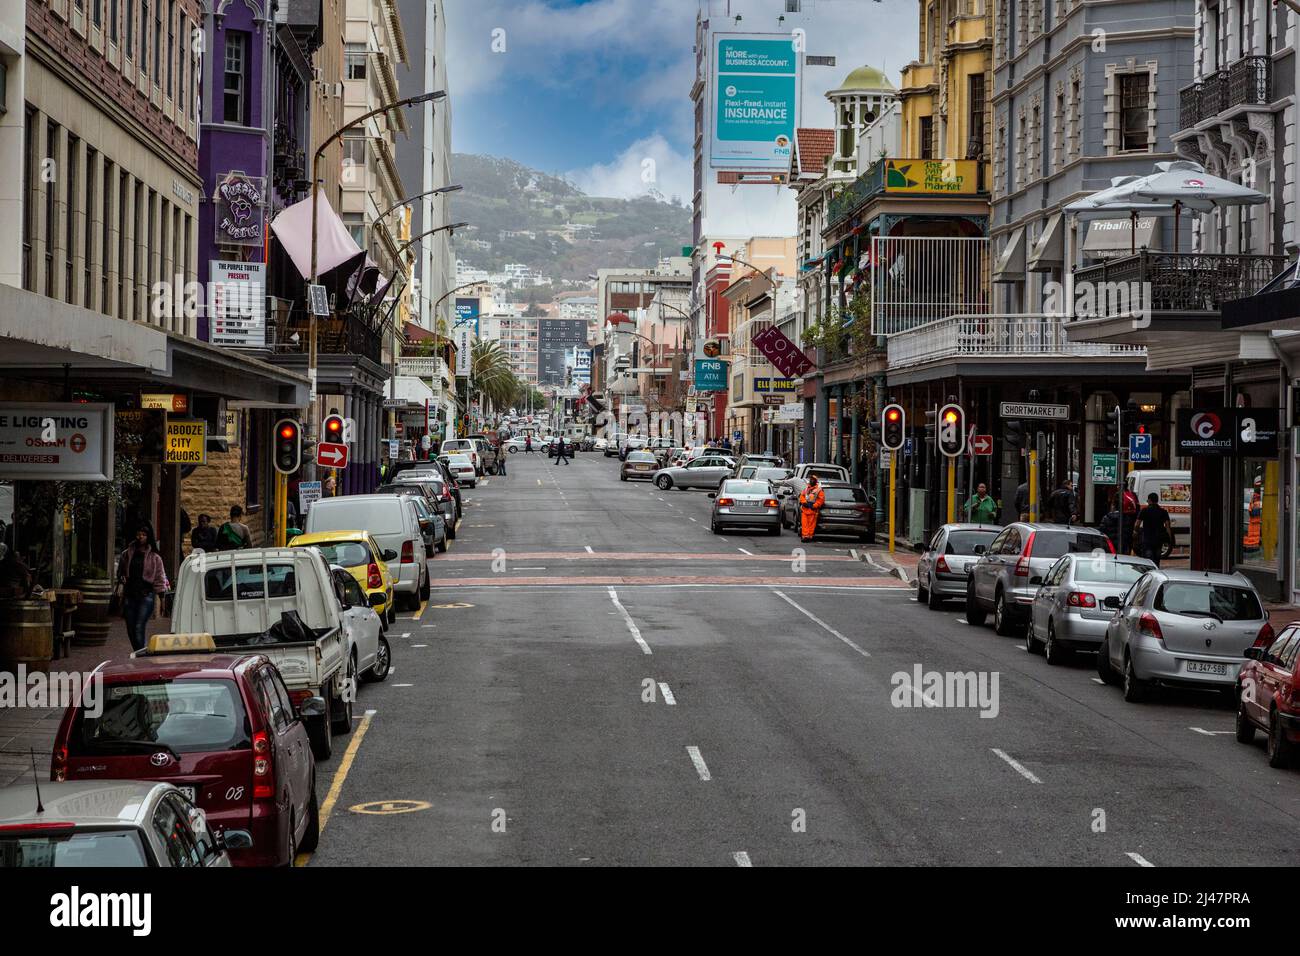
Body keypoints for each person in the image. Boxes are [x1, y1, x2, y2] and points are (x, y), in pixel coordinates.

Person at [116, 525, 169, 652]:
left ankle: (141, 656)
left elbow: (160, 578)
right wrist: (122, 578)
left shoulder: (155, 557)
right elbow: (120, 571)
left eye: (143, 535)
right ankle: (139, 652)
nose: (140, 537)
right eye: (138, 534)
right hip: (130, 594)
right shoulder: (127, 553)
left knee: (139, 626)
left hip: (146, 595)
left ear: (148, 536)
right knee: (130, 628)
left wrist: (162, 599)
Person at [1133, 492, 1172, 566]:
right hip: (1158, 540)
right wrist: (1169, 539)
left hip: (1147, 539)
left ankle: (1149, 573)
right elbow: (1167, 526)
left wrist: (1135, 532)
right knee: (1157, 560)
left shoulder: (1144, 511)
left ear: (1150, 500)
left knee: (1148, 560)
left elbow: (1137, 524)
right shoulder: (1163, 512)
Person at [799, 474, 825, 543]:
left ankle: (809, 536)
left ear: (815, 481)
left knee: (811, 524)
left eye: (813, 479)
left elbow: (821, 500)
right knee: (804, 524)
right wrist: (804, 502)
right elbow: (802, 496)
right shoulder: (806, 489)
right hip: (805, 509)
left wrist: (814, 506)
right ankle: (805, 536)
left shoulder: (819, 490)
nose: (811, 480)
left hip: (813, 510)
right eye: (811, 479)